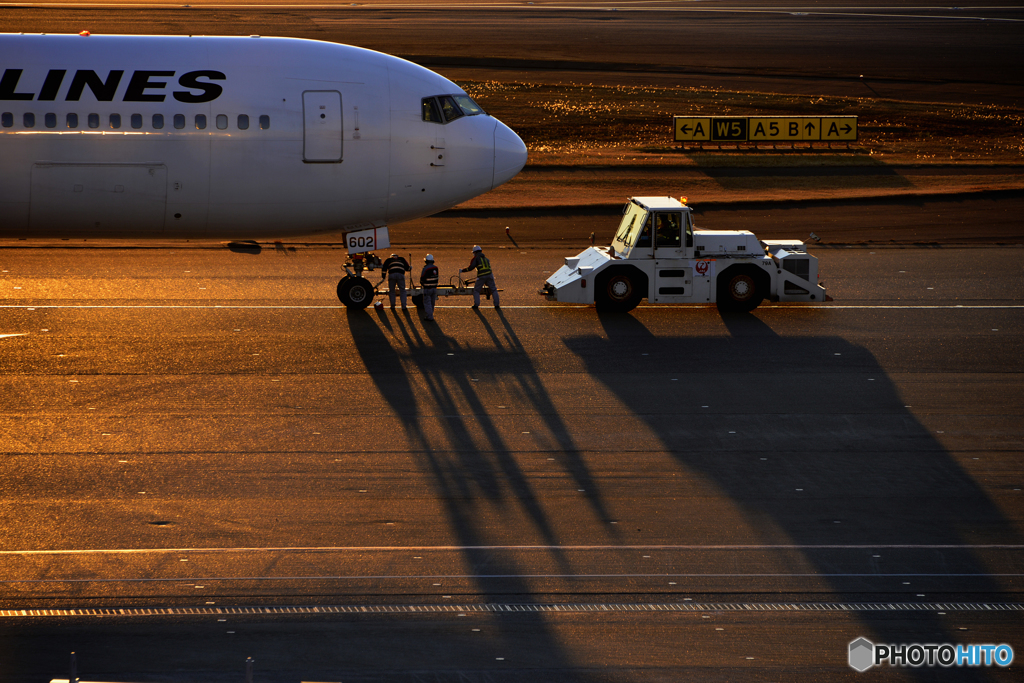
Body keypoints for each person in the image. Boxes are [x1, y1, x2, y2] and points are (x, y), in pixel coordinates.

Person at [460, 245, 500, 309]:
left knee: (476, 290)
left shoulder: (476, 258)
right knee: (494, 290)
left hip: (482, 276)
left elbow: (471, 268)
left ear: (475, 252)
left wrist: (462, 270)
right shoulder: (486, 259)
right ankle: (497, 305)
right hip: (490, 275)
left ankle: (476, 305)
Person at [420, 254, 439, 321]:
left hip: (428, 288)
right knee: (432, 303)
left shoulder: (425, 268)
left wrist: (423, 284)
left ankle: (429, 317)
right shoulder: (436, 268)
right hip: (434, 288)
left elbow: (422, 278)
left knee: (427, 303)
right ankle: (431, 314)